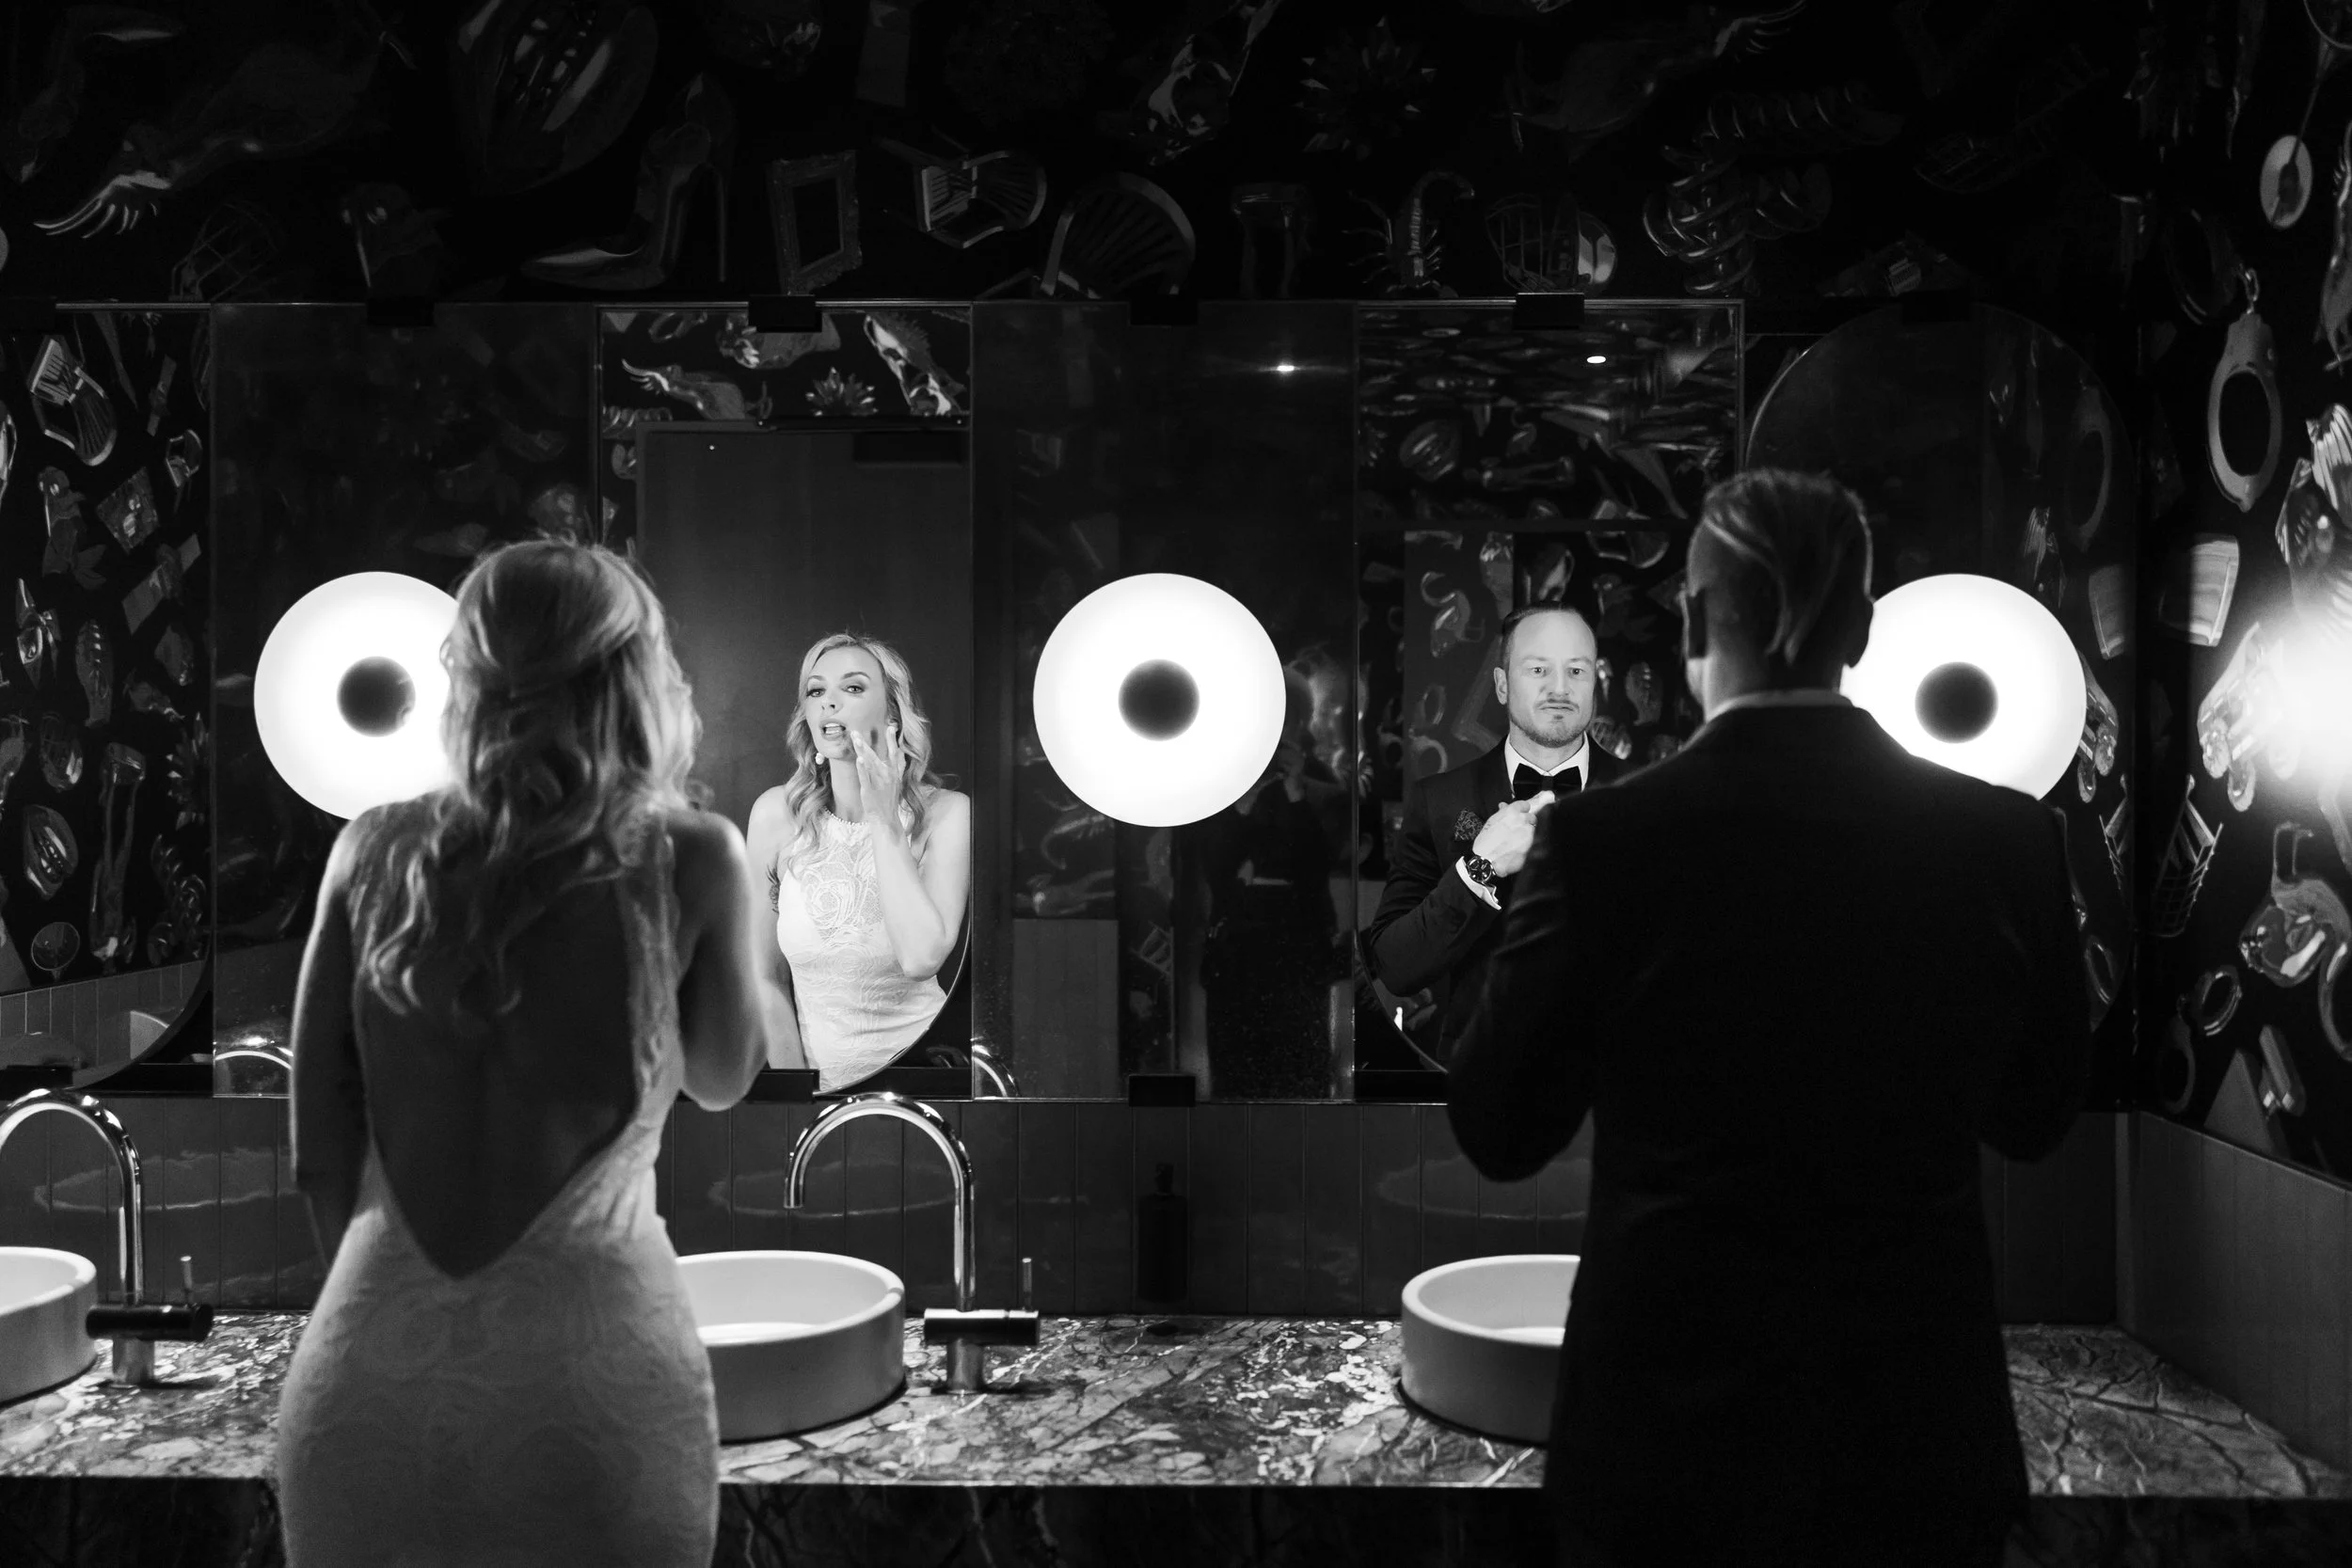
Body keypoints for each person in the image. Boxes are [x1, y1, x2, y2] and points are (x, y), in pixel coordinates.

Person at [1448, 469, 2091, 1568]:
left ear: (1694, 619)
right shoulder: (2002, 839)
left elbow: (1500, 1131)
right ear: (1862, 626)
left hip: (1666, 1443)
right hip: (1913, 1437)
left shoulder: (1600, 844)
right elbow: (2034, 1116)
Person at [278, 541, 769, 1566]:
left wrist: (410, 1315)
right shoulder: (691, 853)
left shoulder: (368, 851)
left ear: (468, 677)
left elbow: (321, 1154)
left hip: (371, 1376)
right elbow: (725, 1077)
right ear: (632, 675)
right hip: (594, 1384)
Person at [1364, 603, 1623, 1065]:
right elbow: (1395, 966)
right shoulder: (1438, 800)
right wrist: (1479, 868)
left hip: (1617, 1078)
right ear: (1502, 686)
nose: (1559, 689)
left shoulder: (1650, 795)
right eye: (1538, 668)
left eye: (1577, 670)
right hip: (1475, 1077)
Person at [747, 633, 971, 1092]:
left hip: (925, 1082)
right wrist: (799, 1095)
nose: (829, 702)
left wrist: (883, 818)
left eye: (851, 688)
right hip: (814, 1094)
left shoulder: (948, 815)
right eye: (816, 691)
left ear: (892, 711)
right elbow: (762, 977)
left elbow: (921, 957)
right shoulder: (776, 816)